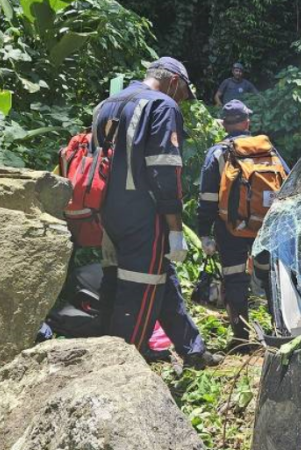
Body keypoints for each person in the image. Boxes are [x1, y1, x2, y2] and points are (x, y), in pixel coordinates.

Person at [94, 57, 221, 367]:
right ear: (174, 82)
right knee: (138, 290)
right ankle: (122, 368)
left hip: (107, 212)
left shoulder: (108, 103)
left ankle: (192, 350)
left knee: (155, 278)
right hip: (143, 215)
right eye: (183, 94)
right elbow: (165, 170)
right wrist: (175, 228)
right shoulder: (162, 105)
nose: (182, 101)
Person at [198, 100, 290, 349]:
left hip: (231, 227)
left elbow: (207, 198)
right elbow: (287, 182)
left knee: (235, 278)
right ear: (247, 122)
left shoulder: (217, 153)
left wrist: (204, 233)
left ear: (224, 125)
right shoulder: (267, 149)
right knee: (271, 276)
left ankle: (241, 340)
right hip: (266, 225)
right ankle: (281, 332)